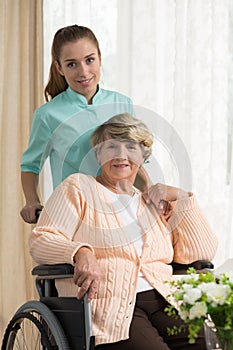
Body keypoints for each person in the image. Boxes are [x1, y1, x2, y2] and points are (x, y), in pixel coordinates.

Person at [29, 113, 218, 350]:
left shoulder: (151, 203)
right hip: (111, 306)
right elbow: (41, 239)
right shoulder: (79, 187)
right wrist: (80, 252)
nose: (121, 155)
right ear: (97, 154)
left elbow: (199, 253)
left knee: (213, 343)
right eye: (111, 146)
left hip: (165, 300)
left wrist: (181, 198)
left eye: (131, 147)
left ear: (143, 156)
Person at [20, 24, 135, 224]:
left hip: (120, 215)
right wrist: (32, 201)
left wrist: (152, 191)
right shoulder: (48, 115)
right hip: (74, 216)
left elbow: (136, 162)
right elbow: (30, 165)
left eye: (89, 60)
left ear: (99, 57)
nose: (83, 72)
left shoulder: (122, 104)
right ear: (59, 68)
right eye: (72, 64)